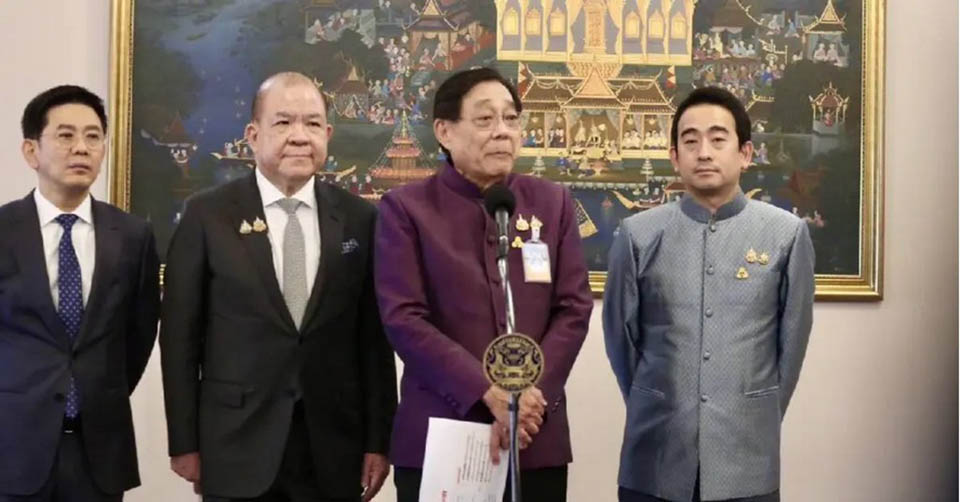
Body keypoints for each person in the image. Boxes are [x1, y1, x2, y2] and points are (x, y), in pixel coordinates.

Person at [160, 72, 397, 502]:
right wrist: (184, 441)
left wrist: (379, 440)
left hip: (333, 446)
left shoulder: (359, 219)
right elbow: (179, 339)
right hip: (235, 442)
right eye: (283, 122)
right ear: (253, 135)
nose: (299, 136)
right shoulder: (207, 216)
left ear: (328, 135)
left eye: (312, 124)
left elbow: (373, 340)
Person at [375, 67, 593, 502]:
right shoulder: (406, 210)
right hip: (443, 432)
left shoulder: (553, 202)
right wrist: (486, 392)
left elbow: (573, 308)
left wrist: (529, 398)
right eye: (485, 119)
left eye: (511, 119)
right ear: (444, 131)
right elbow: (404, 318)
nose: (502, 132)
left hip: (534, 435)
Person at [603, 86, 815, 502]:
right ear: (673, 156)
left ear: (745, 154)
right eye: (690, 140)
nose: (703, 152)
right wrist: (656, 399)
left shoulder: (786, 235)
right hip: (655, 452)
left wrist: (757, 413)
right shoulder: (638, 234)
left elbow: (790, 348)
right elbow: (621, 342)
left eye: (718, 139)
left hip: (747, 457)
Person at [0, 85, 161, 501]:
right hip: (13, 445)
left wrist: (100, 390)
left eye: (93, 136)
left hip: (99, 448)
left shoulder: (133, 236)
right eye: (65, 135)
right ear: (31, 151)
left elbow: (140, 334)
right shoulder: (4, 230)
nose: (81, 148)